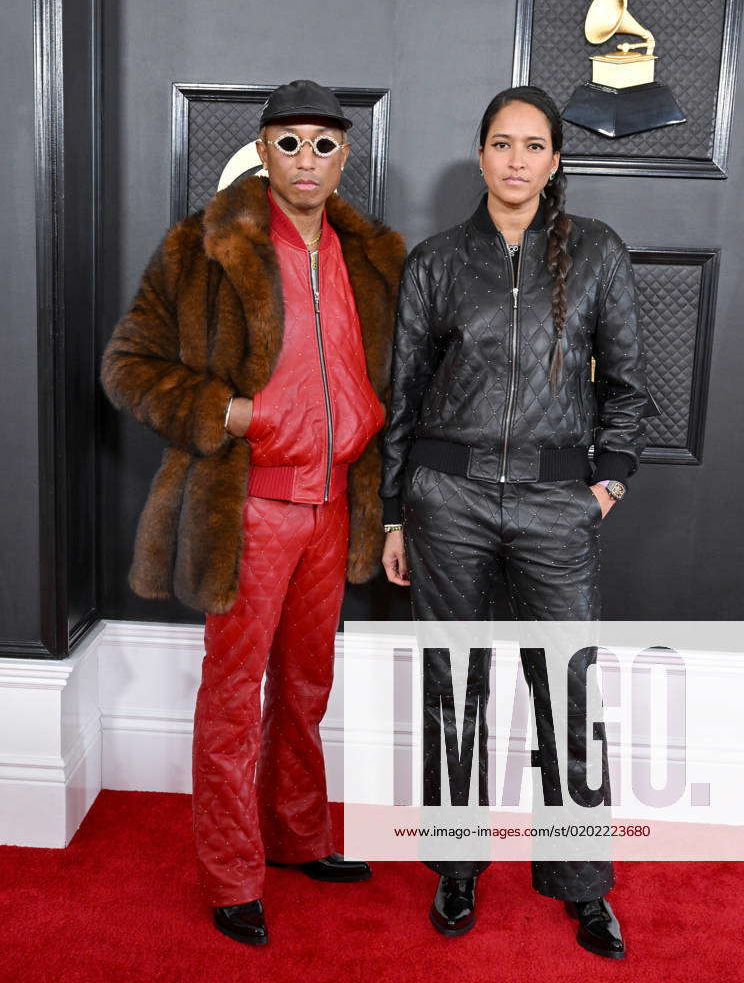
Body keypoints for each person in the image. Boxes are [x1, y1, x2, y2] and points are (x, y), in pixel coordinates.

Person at [100, 79, 405, 946]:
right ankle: (233, 874)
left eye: (323, 143)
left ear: (346, 157)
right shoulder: (204, 248)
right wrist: (228, 413)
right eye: (289, 142)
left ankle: (298, 836)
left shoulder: (376, 256)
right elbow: (128, 364)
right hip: (251, 509)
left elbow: (391, 377)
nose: (306, 159)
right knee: (235, 695)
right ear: (262, 151)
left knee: (306, 688)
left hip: (336, 504)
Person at [380, 85, 648, 959]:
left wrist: (602, 486)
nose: (518, 159)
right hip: (446, 500)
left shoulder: (598, 254)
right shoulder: (436, 262)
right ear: (483, 154)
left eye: (535, 145)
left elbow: (629, 390)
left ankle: (583, 884)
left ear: (556, 161)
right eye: (502, 143)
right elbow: (404, 396)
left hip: (553, 503)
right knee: (453, 690)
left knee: (568, 691)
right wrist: (392, 513)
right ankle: (457, 869)